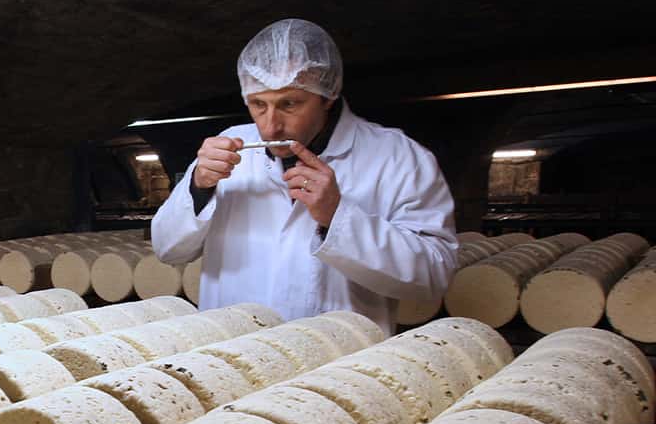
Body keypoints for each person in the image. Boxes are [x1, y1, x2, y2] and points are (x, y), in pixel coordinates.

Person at [150, 18, 458, 335]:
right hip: (232, 353)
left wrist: (337, 218)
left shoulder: (397, 157)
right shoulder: (226, 146)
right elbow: (168, 249)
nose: (271, 126)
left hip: (337, 362)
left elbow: (433, 278)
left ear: (327, 94)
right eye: (258, 104)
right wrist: (199, 188)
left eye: (290, 104)